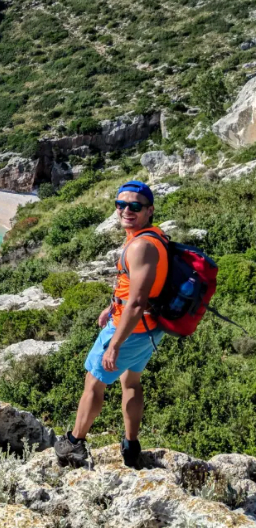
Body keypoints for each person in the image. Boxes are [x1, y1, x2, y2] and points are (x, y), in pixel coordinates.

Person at [54, 180, 168, 469]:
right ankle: (131, 447)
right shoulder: (152, 236)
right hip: (150, 330)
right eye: (121, 205)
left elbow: (138, 301)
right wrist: (111, 306)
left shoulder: (141, 245)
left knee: (93, 382)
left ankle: (74, 444)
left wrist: (114, 344)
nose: (126, 210)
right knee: (131, 381)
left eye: (135, 206)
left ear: (149, 209)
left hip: (130, 330)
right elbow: (137, 288)